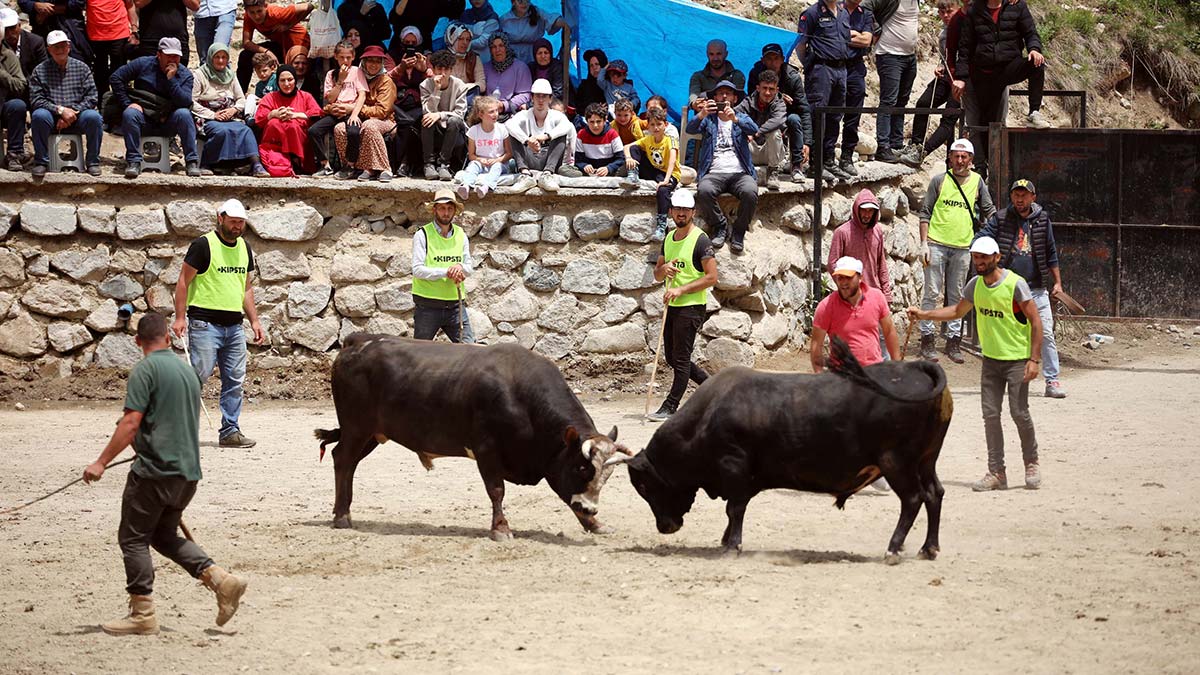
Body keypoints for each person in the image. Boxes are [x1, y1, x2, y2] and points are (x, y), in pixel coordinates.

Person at [83, 312, 249, 636]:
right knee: (162, 536)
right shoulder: (187, 373)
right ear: (169, 338)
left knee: (132, 539)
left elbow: (131, 423)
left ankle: (142, 614)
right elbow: (166, 419)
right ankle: (221, 581)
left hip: (155, 473)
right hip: (187, 475)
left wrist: (100, 462)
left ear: (137, 341)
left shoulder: (145, 370)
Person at [908, 235, 1044, 491]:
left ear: (996, 257)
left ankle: (1031, 462)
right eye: (975, 257)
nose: (979, 262)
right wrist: (924, 314)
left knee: (1019, 413)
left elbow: (1036, 322)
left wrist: (1034, 359)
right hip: (990, 360)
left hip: (1017, 359)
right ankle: (996, 472)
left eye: (983, 257)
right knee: (990, 416)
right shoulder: (974, 286)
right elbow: (957, 312)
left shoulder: (1016, 285)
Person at [171, 198, 265, 449]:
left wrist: (254, 320)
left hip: (234, 325)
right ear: (220, 218)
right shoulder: (203, 245)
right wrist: (180, 317)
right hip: (204, 323)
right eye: (233, 222)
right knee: (198, 376)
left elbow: (245, 287)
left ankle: (230, 431)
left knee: (235, 380)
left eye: (240, 223)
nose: (237, 227)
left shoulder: (244, 248)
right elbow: (183, 282)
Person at [976, 178, 1066, 398]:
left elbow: (1051, 253)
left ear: (1032, 197)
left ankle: (1052, 380)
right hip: (1009, 291)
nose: (1019, 198)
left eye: (1024, 194)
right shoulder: (1001, 218)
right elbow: (981, 239)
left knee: (1045, 332)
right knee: (1009, 335)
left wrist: (1057, 283)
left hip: (1035, 289)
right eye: (1016, 194)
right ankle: (1008, 380)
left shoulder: (1043, 220)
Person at [917, 137, 996, 362]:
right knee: (931, 293)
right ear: (950, 158)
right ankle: (927, 339)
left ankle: (953, 342)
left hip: (963, 246)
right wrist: (924, 243)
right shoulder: (939, 180)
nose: (960, 160)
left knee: (957, 294)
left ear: (971, 159)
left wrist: (991, 238)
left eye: (964, 157)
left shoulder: (978, 182)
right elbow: (926, 212)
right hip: (936, 243)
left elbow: (989, 209)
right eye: (956, 156)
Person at [954, 0, 1049, 173]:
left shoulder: (1016, 5)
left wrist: (1034, 48)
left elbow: (1031, 33)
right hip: (983, 74)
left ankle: (1034, 112)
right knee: (986, 124)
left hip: (1007, 67)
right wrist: (960, 77)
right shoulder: (975, 9)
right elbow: (965, 47)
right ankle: (985, 169)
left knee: (1037, 64)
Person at [647, 189, 717, 422]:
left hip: (692, 305)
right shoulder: (668, 238)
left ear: (693, 213)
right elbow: (658, 274)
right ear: (670, 211)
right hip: (672, 306)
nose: (681, 213)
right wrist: (663, 270)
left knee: (681, 357)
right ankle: (713, 388)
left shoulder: (701, 240)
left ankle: (671, 405)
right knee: (671, 357)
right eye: (677, 209)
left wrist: (680, 289)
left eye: (686, 210)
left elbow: (711, 277)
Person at [110, 37, 201, 179]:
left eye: (176, 56)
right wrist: (127, 103)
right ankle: (134, 161)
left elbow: (185, 102)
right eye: (169, 55)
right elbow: (116, 78)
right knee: (130, 113)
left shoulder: (185, 75)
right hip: (144, 119)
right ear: (159, 55)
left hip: (168, 121)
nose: (172, 60)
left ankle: (192, 162)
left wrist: (172, 81)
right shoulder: (143, 64)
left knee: (184, 114)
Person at [687, 79, 759, 254]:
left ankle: (739, 232)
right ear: (715, 98)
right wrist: (701, 114)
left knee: (750, 191)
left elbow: (754, 129)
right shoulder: (709, 119)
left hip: (739, 172)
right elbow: (690, 129)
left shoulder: (740, 117)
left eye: (728, 93)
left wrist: (735, 119)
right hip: (714, 172)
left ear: (734, 98)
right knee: (703, 190)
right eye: (720, 93)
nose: (724, 96)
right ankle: (720, 226)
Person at [827, 189, 893, 355]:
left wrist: (887, 294)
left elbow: (881, 265)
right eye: (863, 210)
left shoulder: (877, 232)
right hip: (851, 298)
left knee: (880, 338)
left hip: (874, 294)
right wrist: (847, 288)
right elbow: (832, 263)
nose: (866, 214)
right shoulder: (842, 232)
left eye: (871, 210)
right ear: (856, 209)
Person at [28, 30, 102, 177]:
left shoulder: (82, 68)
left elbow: (92, 97)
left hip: (77, 115)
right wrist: (60, 111)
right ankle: (41, 161)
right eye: (56, 47)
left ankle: (93, 161)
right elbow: (36, 99)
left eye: (63, 45)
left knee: (94, 117)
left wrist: (72, 113)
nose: (60, 50)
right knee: (39, 115)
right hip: (52, 116)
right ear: (49, 49)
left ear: (69, 46)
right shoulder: (40, 71)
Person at [901, 0, 962, 168]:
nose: (946, 16)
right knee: (923, 103)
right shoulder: (944, 30)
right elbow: (945, 55)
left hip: (963, 79)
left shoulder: (967, 27)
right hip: (946, 76)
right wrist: (940, 66)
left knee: (949, 118)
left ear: (958, 9)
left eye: (949, 11)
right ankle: (916, 145)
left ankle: (924, 152)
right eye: (942, 12)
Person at [811, 255, 899, 371]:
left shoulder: (877, 297)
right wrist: (820, 377)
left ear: (860, 277)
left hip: (874, 371)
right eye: (840, 278)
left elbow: (889, 332)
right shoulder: (826, 307)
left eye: (848, 277)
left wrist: (898, 367)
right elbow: (816, 345)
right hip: (842, 375)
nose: (843, 283)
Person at [795, 0, 851, 181]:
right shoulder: (811, 13)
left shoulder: (843, 12)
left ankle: (828, 161)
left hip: (841, 70)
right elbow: (800, 45)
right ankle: (814, 165)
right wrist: (811, 66)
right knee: (818, 117)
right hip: (822, 69)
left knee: (835, 116)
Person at [412, 188, 476, 343]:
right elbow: (417, 270)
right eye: (441, 208)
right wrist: (447, 272)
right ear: (434, 209)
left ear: (454, 211)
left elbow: (469, 267)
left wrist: (460, 268)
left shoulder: (461, 234)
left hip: (455, 305)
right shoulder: (422, 235)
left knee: (469, 349)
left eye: (449, 208)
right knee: (420, 354)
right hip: (427, 305)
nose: (446, 212)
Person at [192, 43, 266, 176]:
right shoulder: (199, 75)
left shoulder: (230, 75)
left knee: (245, 130)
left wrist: (234, 110)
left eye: (224, 57)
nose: (221, 61)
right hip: (208, 116)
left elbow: (241, 98)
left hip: (229, 115)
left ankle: (256, 164)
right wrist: (213, 115)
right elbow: (192, 101)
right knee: (221, 131)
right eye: (217, 57)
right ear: (210, 58)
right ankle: (208, 163)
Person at [863, 0, 919, 164]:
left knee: (902, 101)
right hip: (889, 54)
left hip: (910, 56)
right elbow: (865, 6)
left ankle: (896, 143)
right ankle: (883, 146)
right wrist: (875, 27)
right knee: (888, 101)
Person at [748, 42, 812, 183]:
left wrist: (807, 142)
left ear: (783, 59)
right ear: (762, 60)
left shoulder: (792, 77)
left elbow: (804, 109)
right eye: (769, 59)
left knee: (795, 119)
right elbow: (751, 98)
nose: (772, 62)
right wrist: (777, 96)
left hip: (786, 115)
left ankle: (796, 166)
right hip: (762, 113)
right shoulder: (755, 74)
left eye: (776, 59)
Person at [333, 45, 396, 183]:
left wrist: (355, 109)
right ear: (364, 63)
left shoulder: (385, 81)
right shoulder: (356, 76)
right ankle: (353, 167)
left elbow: (382, 111)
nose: (374, 65)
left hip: (384, 121)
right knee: (340, 129)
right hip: (358, 118)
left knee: (369, 125)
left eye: (377, 61)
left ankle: (383, 168)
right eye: (370, 61)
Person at [309, 39, 366, 176]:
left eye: (348, 57)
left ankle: (350, 165)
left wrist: (354, 114)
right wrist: (340, 80)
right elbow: (330, 98)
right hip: (335, 111)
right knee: (313, 131)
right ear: (336, 57)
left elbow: (362, 95)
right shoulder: (331, 74)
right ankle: (325, 164)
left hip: (351, 110)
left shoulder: (357, 71)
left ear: (353, 57)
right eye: (342, 57)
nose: (345, 60)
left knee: (353, 132)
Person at [624, 106, 680, 241]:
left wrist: (666, 180)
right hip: (654, 170)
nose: (656, 128)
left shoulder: (670, 140)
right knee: (635, 149)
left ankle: (661, 225)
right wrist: (629, 158)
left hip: (669, 173)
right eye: (652, 124)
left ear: (665, 125)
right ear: (648, 126)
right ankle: (633, 176)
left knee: (662, 190)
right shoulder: (648, 139)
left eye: (659, 124)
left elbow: (672, 160)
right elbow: (627, 147)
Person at [255, 64, 322, 175]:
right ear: (278, 82)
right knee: (274, 123)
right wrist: (273, 114)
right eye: (282, 80)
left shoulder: (305, 96)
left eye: (290, 80)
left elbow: (317, 114)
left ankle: (296, 161)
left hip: (301, 146)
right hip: (274, 151)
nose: (286, 84)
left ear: (295, 80)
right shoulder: (269, 97)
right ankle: (279, 162)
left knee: (292, 125)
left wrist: (295, 115)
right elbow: (259, 119)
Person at [1, 7, 45, 171]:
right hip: (6, 95)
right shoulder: (1, 45)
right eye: (6, 29)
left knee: (29, 108)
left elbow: (41, 73)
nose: (10, 33)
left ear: (19, 25)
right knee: (16, 106)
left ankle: (32, 154)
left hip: (29, 91)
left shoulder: (35, 42)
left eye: (13, 28)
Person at [506, 77, 570, 189]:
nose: (541, 100)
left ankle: (547, 175)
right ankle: (525, 174)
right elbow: (509, 125)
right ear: (532, 98)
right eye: (537, 96)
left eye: (544, 96)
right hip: (530, 158)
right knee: (513, 134)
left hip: (549, 161)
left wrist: (546, 136)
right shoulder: (524, 115)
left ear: (550, 99)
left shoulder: (557, 115)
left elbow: (567, 126)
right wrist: (526, 140)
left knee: (561, 135)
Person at [236, 0, 313, 93]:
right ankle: (240, 96)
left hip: (298, 44)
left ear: (265, 6)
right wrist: (266, 51)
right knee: (245, 55)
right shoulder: (248, 17)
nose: (256, 16)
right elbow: (246, 42)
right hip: (281, 45)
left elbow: (309, 6)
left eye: (259, 11)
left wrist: (288, 25)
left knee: (299, 69)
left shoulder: (275, 12)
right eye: (252, 12)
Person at [419, 49, 469, 181]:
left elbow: (459, 114)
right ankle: (428, 164)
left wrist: (440, 115)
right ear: (433, 69)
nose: (443, 73)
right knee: (427, 119)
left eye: (446, 69)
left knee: (453, 120)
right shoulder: (425, 85)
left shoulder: (460, 85)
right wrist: (436, 90)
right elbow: (427, 111)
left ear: (451, 70)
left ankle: (444, 165)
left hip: (453, 129)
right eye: (439, 69)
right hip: (434, 128)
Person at [733, 68, 786, 191]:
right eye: (764, 88)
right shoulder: (748, 102)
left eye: (771, 89)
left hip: (771, 152)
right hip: (751, 149)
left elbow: (778, 120)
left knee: (774, 132)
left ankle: (773, 172)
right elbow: (735, 116)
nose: (767, 93)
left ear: (777, 90)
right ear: (758, 88)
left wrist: (756, 132)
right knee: (737, 130)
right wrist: (745, 131)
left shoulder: (780, 103)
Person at [387, 26, 429, 177]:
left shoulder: (425, 58)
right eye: (407, 42)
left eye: (413, 42)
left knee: (413, 122)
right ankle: (403, 163)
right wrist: (402, 67)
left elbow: (433, 81)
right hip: (397, 103)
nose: (410, 45)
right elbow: (387, 78)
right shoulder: (391, 56)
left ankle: (406, 163)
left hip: (418, 104)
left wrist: (423, 69)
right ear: (401, 42)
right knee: (406, 122)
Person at [839, 0, 874, 177]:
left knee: (853, 115)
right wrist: (853, 35)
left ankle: (846, 157)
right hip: (835, 66)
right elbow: (832, 37)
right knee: (831, 114)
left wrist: (845, 35)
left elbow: (867, 40)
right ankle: (824, 157)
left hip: (856, 68)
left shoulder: (866, 13)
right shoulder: (835, 8)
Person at [453, 94, 510, 199]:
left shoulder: (502, 129)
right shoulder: (474, 131)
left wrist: (498, 160)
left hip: (499, 164)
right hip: (481, 163)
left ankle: (487, 186)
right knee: (473, 165)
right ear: (481, 115)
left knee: (497, 167)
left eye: (496, 111)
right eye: (491, 112)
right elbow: (471, 155)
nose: (495, 114)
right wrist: (480, 160)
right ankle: (466, 185)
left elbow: (509, 154)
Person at [86, 0, 136, 95]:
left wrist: (134, 29)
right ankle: (102, 103)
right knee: (100, 73)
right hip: (96, 35)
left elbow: (130, 5)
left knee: (119, 72)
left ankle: (121, 100)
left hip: (119, 33)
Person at [563, 101, 624, 179]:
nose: (595, 125)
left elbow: (621, 159)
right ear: (587, 121)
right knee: (563, 169)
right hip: (589, 173)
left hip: (609, 171)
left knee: (626, 168)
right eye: (592, 122)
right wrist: (584, 166)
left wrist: (608, 168)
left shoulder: (612, 134)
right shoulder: (581, 134)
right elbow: (578, 160)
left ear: (605, 120)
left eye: (598, 122)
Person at [389, 0, 463, 60]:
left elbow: (455, 11)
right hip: (399, 44)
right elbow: (393, 18)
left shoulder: (436, 2)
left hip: (424, 45)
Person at [498, 0, 567, 64]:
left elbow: (552, 20)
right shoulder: (504, 20)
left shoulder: (538, 13)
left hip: (534, 58)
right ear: (513, 2)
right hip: (512, 59)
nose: (524, 3)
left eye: (527, 0)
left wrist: (567, 22)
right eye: (520, 1)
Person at [482, 32, 530, 119]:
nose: (497, 50)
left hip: (512, 114)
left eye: (501, 45)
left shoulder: (520, 67)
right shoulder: (485, 68)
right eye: (493, 47)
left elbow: (526, 94)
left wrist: (504, 106)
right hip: (488, 113)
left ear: (507, 47)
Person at [688, 39, 745, 110]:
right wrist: (695, 103)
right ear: (707, 54)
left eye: (719, 54)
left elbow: (738, 100)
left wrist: (706, 97)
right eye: (711, 54)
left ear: (726, 54)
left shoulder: (737, 75)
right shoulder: (698, 76)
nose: (715, 58)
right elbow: (693, 96)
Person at [131, 0, 192, 66]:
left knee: (179, 74)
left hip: (178, 41)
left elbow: (195, 5)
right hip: (151, 41)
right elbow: (138, 2)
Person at [193, 0, 237, 67]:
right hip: (201, 12)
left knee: (220, 50)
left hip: (225, 9)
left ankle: (226, 76)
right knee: (205, 59)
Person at [445, 23, 485, 94]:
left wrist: (463, 87)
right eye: (460, 39)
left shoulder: (474, 58)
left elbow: (482, 85)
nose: (465, 42)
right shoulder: (443, 58)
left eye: (468, 39)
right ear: (451, 39)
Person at [573, 48, 607, 118]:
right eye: (591, 65)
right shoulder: (584, 86)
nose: (594, 68)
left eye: (597, 64)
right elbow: (578, 108)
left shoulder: (611, 84)